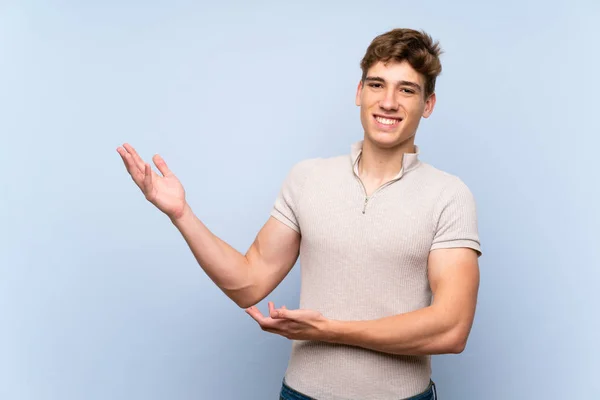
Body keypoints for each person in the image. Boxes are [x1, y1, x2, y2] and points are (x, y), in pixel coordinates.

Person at [117, 27, 481, 400]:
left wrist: (330, 330)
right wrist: (182, 214)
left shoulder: (448, 195)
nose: (388, 102)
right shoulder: (308, 178)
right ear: (359, 93)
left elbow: (451, 330)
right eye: (376, 85)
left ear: (429, 104)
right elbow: (248, 282)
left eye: (406, 89)